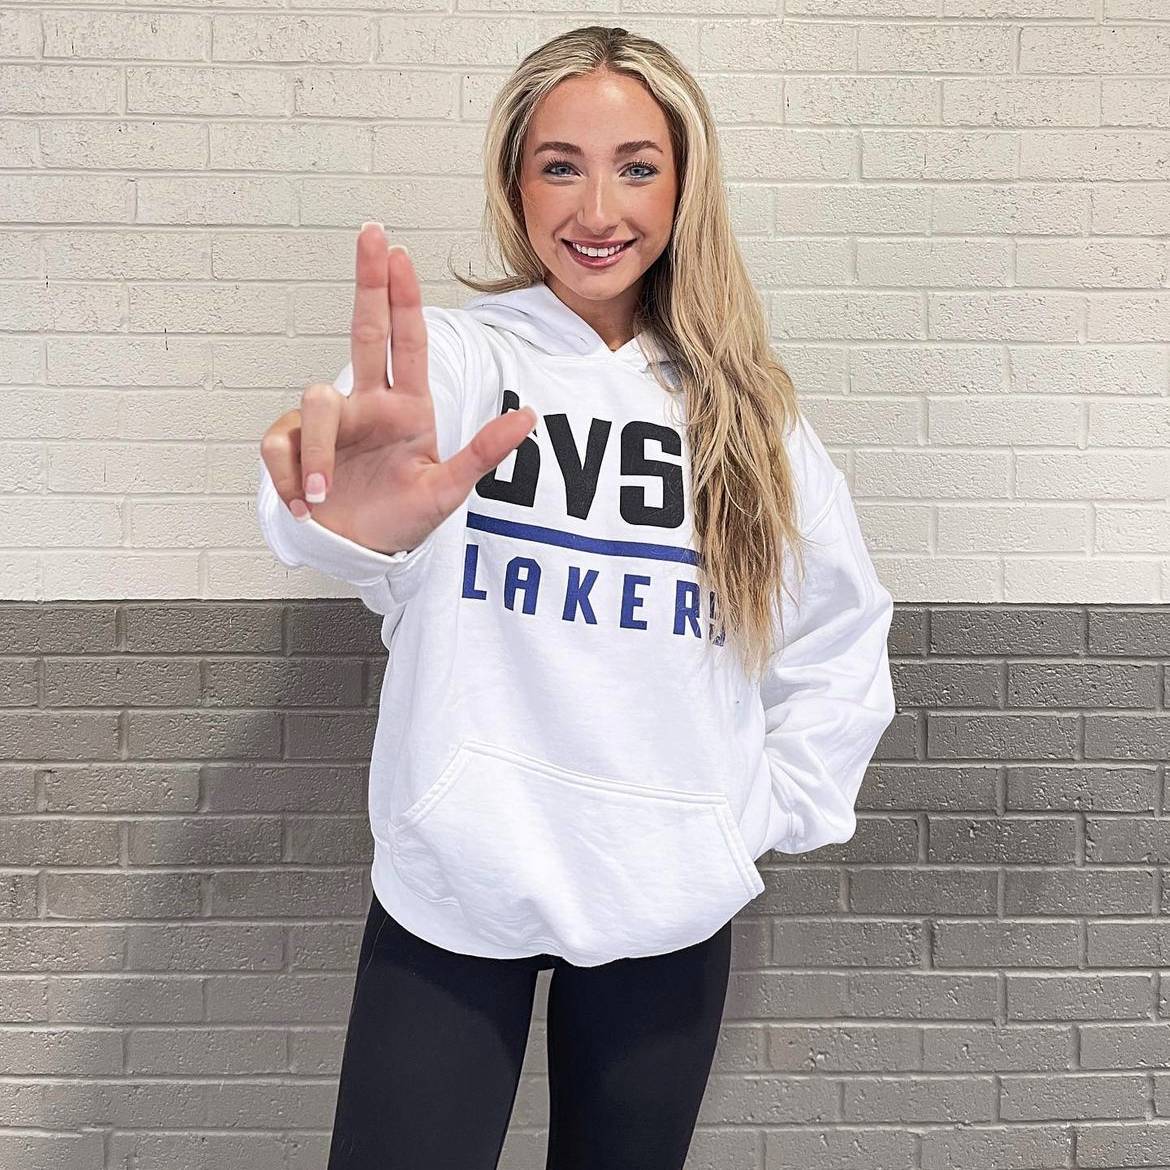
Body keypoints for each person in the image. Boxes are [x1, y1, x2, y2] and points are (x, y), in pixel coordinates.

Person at [255, 24, 896, 1170]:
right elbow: (329, 510)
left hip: (664, 901)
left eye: (637, 165)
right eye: (561, 164)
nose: (597, 208)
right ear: (515, 182)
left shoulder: (746, 415)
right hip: (456, 889)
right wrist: (336, 515)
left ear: (685, 184)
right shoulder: (452, 359)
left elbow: (838, 638)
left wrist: (745, 817)